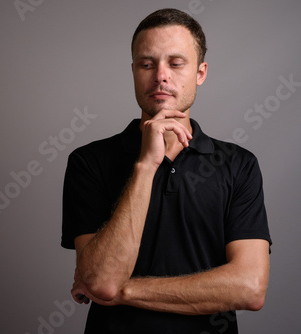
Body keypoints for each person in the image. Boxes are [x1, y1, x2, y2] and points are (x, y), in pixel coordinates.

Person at [61, 8, 272, 334]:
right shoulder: (89, 162)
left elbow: (249, 287)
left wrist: (123, 290)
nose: (161, 75)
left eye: (176, 63)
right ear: (133, 71)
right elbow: (100, 280)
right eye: (147, 64)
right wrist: (146, 167)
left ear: (200, 72)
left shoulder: (238, 164)